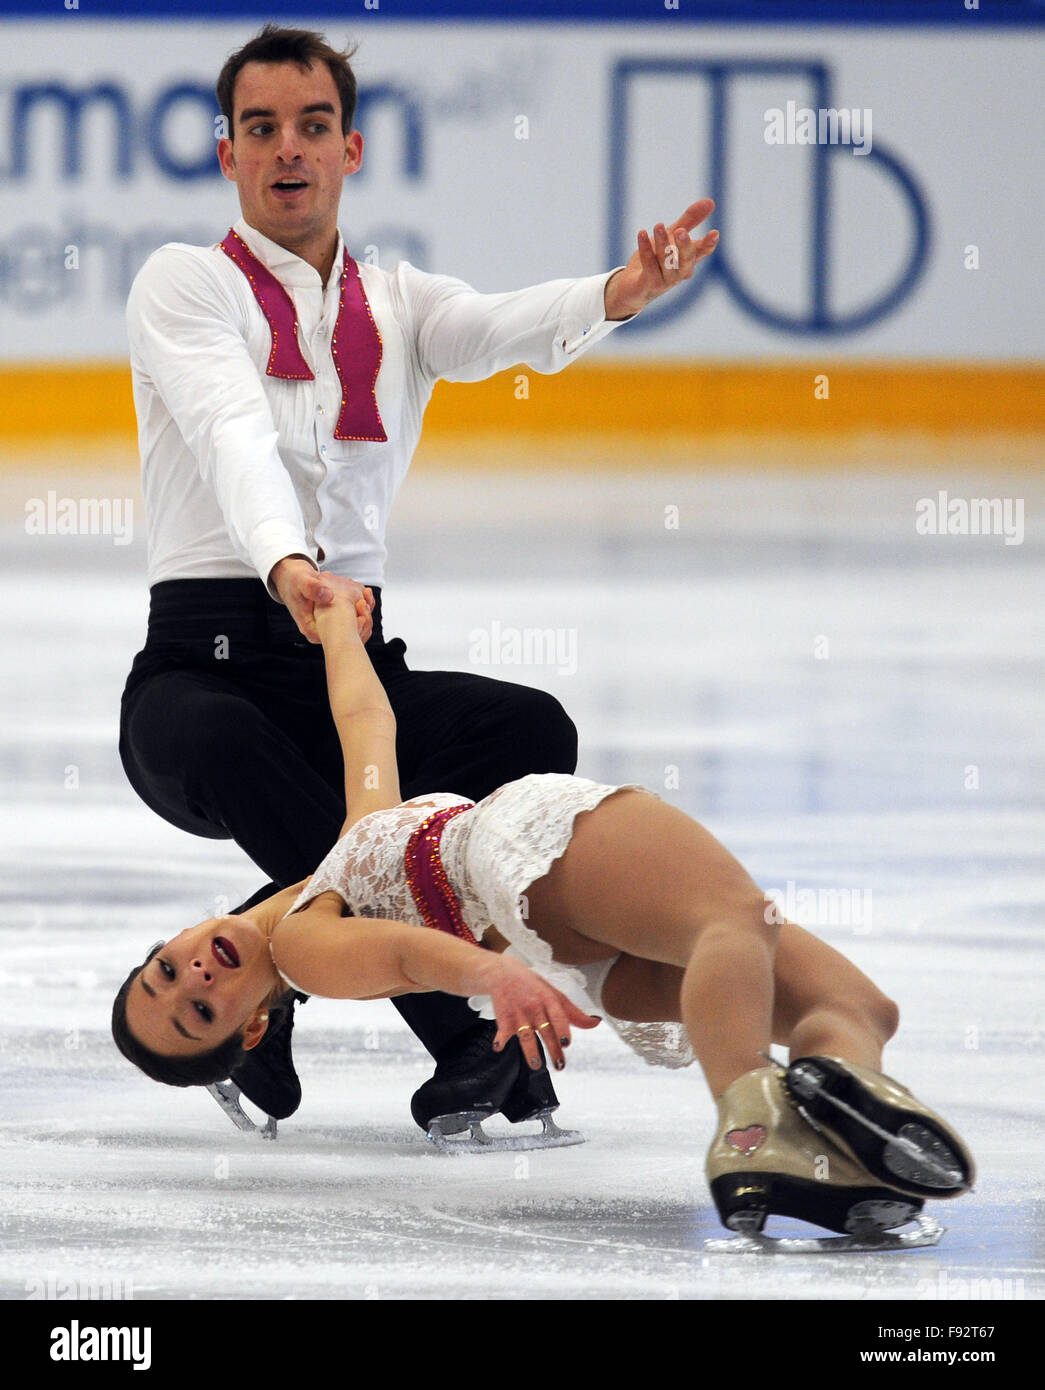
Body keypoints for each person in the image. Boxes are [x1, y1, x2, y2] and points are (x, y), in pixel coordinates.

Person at [117, 23, 721, 1137]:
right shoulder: (184, 285)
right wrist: (290, 560)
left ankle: (267, 984)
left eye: (311, 126)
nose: (286, 149)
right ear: (227, 154)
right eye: (261, 128)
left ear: (351, 149)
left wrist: (620, 291)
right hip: (198, 671)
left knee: (525, 732)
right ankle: (473, 1040)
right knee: (230, 745)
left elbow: (500, 329)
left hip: (351, 660)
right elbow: (228, 425)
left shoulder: (400, 302)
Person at [114, 580, 975, 1239]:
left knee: (856, 1007)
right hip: (518, 853)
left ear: (175, 936)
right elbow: (410, 958)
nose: (192, 976)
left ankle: (839, 1160)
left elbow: (363, 717)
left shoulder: (338, 855)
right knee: (731, 923)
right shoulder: (304, 946)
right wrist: (493, 974)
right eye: (198, 1013)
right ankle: (752, 1130)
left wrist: (339, 626)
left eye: (164, 969)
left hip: (566, 948)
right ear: (252, 1032)